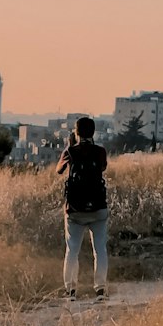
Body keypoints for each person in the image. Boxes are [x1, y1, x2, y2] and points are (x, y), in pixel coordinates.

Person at [56, 116, 109, 300]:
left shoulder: (71, 151)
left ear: (76, 132)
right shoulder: (100, 151)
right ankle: (100, 289)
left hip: (75, 210)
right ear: (93, 132)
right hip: (98, 209)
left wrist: (69, 146)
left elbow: (59, 170)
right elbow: (102, 167)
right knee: (100, 249)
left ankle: (70, 290)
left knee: (72, 250)